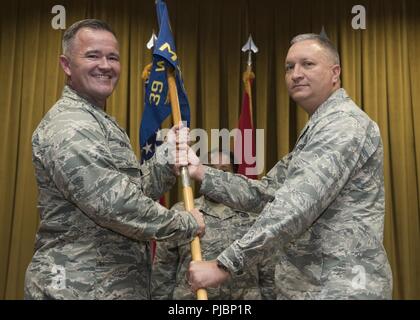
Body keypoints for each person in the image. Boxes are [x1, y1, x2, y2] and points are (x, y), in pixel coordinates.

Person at [187, 33, 393, 299]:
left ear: (335, 73)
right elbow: (266, 193)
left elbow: (296, 205)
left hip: (341, 288)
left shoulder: (344, 124)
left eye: (307, 64)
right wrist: (201, 172)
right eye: (289, 67)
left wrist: (224, 265)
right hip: (312, 288)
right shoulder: (318, 128)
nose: (296, 74)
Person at [24, 19, 204, 300]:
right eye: (92, 56)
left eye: (113, 57)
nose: (105, 65)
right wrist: (184, 224)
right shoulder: (70, 126)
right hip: (75, 288)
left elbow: (131, 191)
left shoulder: (100, 121)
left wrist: (166, 160)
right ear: (66, 65)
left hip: (110, 288)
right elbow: (114, 204)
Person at [151, 149, 276, 300]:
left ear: (235, 176)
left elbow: (267, 268)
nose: (217, 174)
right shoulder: (182, 212)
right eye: (211, 169)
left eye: (224, 170)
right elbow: (163, 269)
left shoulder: (254, 216)